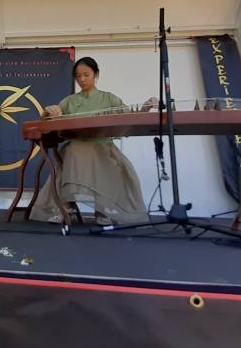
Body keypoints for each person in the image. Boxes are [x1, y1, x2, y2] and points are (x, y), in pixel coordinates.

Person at [29, 56, 158, 226]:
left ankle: (101, 209)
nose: (81, 79)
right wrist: (48, 112)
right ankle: (67, 206)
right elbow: (50, 120)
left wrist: (146, 107)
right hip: (76, 144)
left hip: (102, 145)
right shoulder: (70, 101)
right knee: (73, 151)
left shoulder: (109, 99)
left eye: (86, 75)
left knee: (100, 159)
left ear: (96, 74)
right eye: (78, 76)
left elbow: (129, 118)